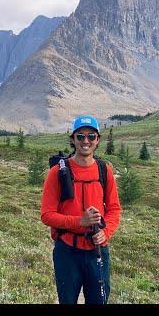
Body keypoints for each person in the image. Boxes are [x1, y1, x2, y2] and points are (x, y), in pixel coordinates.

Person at [41, 115, 121, 304]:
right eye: (81, 136)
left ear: (98, 140)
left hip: (98, 250)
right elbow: (46, 215)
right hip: (67, 251)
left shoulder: (104, 170)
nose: (86, 141)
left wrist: (106, 232)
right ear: (73, 139)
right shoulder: (57, 173)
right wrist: (80, 221)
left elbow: (114, 209)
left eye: (91, 136)